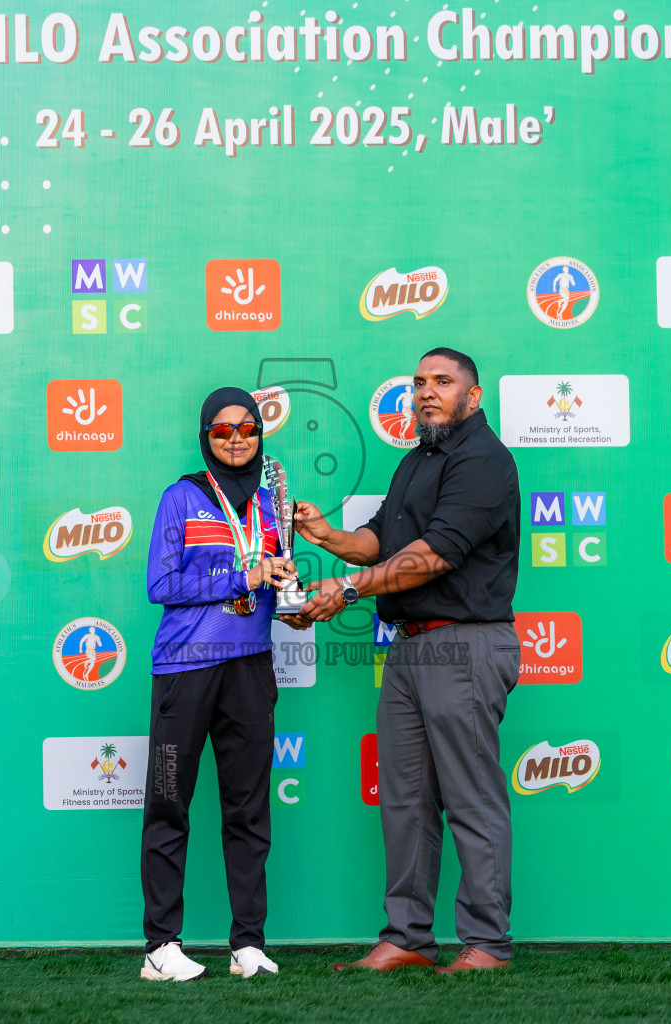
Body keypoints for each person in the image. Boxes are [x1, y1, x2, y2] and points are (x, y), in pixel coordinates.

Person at [292, 347, 520, 974]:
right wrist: (327, 537)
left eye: (442, 382)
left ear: (473, 397)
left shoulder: (484, 460)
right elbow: (381, 545)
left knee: (471, 798)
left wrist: (348, 589)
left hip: (466, 642)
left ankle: (488, 945)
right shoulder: (415, 460)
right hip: (411, 645)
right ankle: (409, 936)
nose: (426, 392)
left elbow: (437, 554)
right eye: (419, 382)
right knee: (406, 800)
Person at [139, 387, 297, 982]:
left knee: (249, 808)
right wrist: (244, 573)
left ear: (260, 434)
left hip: (251, 666)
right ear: (206, 436)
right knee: (169, 801)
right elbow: (161, 582)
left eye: (248, 429)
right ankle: (162, 946)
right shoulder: (181, 497)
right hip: (186, 668)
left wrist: (289, 598)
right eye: (223, 430)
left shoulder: (269, 502)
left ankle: (248, 945)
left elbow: (269, 584)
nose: (237, 439)